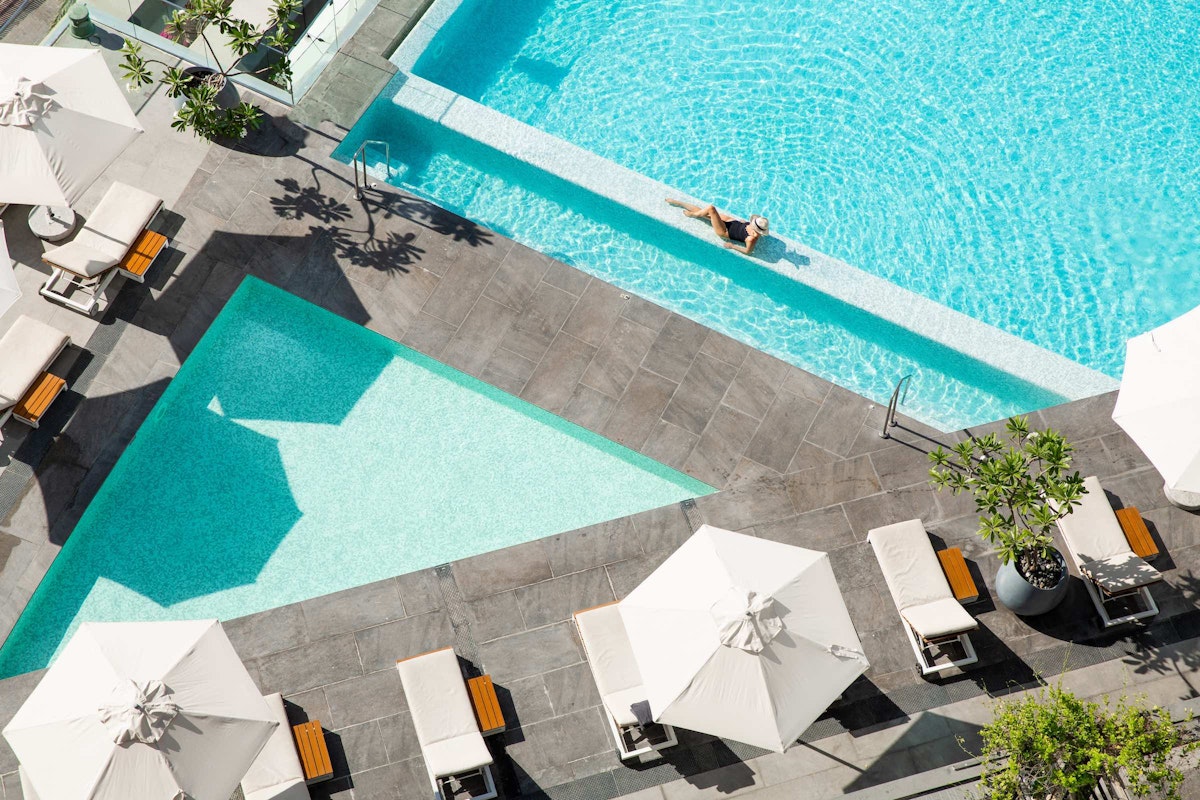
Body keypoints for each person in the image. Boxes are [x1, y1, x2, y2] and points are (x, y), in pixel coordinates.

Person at [666, 198, 769, 255]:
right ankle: (680, 203)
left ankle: (693, 215)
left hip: (725, 231)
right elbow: (745, 227)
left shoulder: (751, 239)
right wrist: (742, 222)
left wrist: (732, 246)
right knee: (705, 212)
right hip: (731, 222)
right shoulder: (754, 227)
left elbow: (748, 251)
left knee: (711, 209)